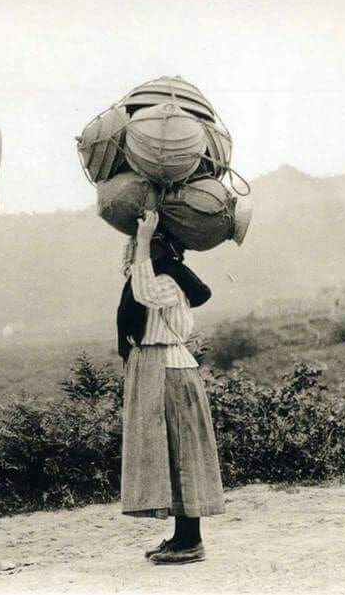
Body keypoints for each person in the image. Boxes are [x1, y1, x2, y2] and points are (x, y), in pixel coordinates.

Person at [116, 210, 225, 565]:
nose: (135, 253)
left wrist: (145, 239)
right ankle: (182, 536)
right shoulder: (160, 275)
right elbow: (136, 279)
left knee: (181, 453)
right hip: (156, 368)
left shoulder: (168, 281)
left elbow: (144, 289)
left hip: (170, 371)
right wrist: (142, 243)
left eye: (144, 248)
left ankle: (192, 541)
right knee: (169, 454)